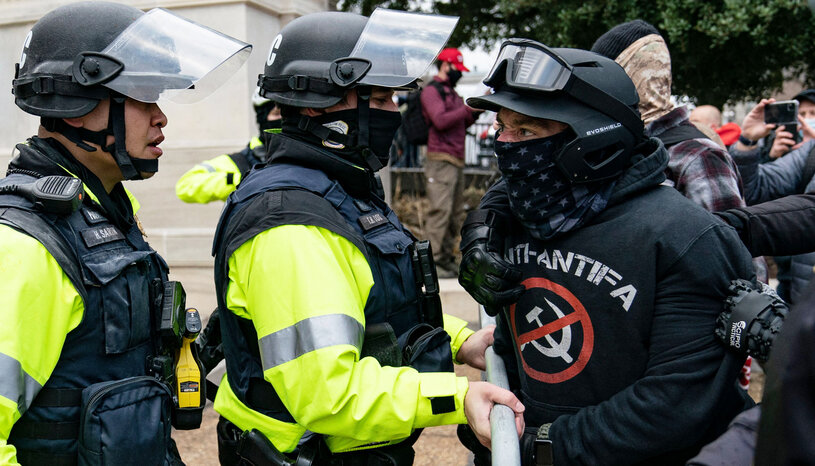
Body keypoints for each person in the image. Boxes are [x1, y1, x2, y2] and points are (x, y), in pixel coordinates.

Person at [210, 10, 524, 466]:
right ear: (317, 104)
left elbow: (375, 306)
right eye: (377, 97)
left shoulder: (340, 190)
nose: (393, 112)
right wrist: (458, 397)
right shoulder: (294, 225)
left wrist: (460, 341)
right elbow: (329, 393)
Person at [455, 39, 755, 465]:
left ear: (589, 141)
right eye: (502, 126)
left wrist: (542, 446)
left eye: (525, 130)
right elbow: (513, 360)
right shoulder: (520, 220)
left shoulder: (686, 239)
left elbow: (675, 403)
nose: (505, 144)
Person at [0, 2, 249, 464]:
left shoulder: (103, 208)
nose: (161, 117)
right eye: (142, 96)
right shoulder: (23, 245)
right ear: (77, 107)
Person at [731, 98, 815, 304]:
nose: (806, 120)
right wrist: (748, 142)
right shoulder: (809, 153)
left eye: (812, 113)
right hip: (801, 301)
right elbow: (751, 191)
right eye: (801, 115)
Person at [421, 47, 482, 278]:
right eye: (458, 68)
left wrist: (474, 111)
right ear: (446, 66)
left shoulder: (452, 93)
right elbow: (440, 120)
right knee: (440, 212)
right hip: (440, 159)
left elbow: (459, 122)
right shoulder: (432, 91)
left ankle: (445, 259)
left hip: (455, 159)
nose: (460, 74)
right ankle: (432, 263)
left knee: (455, 213)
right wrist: (464, 109)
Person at [175, 89, 281, 203]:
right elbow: (185, 186)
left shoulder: (302, 155)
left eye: (289, 114)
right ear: (262, 118)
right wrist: (241, 180)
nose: (283, 119)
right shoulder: (240, 162)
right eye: (277, 113)